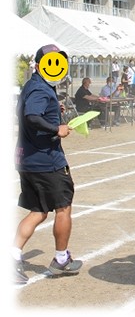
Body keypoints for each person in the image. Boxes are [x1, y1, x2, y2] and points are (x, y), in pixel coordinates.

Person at [15, 44, 83, 284]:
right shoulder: (41, 90)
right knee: (63, 207)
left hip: (27, 159)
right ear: (38, 64)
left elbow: (29, 112)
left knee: (38, 211)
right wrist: (56, 128)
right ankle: (61, 259)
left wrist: (54, 110)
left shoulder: (33, 86)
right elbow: (31, 116)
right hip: (46, 161)